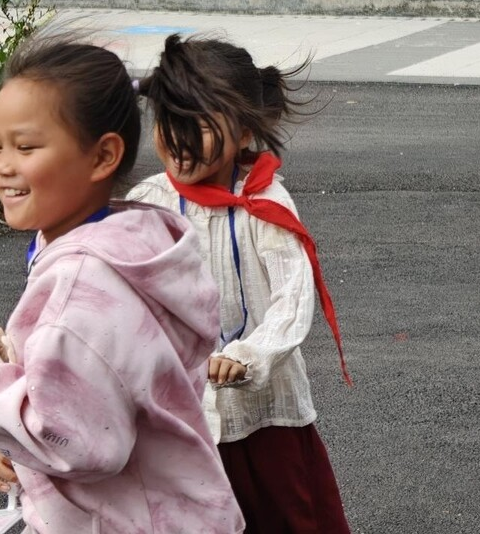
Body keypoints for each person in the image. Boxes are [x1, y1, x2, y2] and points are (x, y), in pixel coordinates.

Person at [0, 39, 242, 533]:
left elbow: (77, 443)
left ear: (103, 155)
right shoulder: (134, 246)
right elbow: (107, 402)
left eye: (26, 146)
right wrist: (25, 460)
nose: (1, 165)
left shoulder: (83, 287)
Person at [127, 36, 352, 532]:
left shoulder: (264, 204)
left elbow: (292, 297)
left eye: (200, 125)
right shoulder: (148, 202)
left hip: (262, 414)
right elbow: (118, 290)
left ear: (245, 129)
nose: (180, 138)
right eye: (168, 121)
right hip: (180, 411)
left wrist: (250, 354)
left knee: (284, 517)